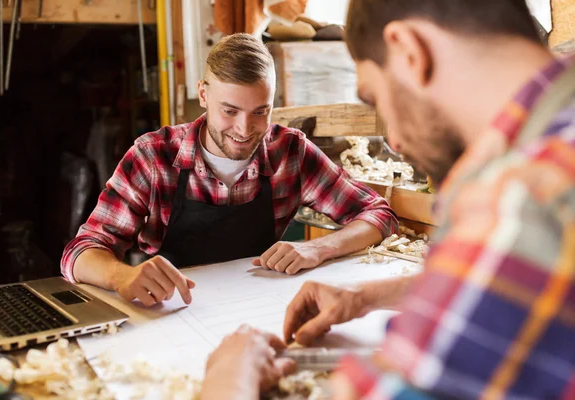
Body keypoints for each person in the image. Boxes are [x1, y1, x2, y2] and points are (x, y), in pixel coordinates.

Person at [201, 0, 575, 399]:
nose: (394, 141)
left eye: (375, 98)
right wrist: (366, 297)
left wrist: (229, 377)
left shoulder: (523, 193)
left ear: (409, 51)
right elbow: (513, 283)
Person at [60, 33, 397, 307]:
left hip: (258, 305)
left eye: (260, 112)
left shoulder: (290, 152)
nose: (244, 128)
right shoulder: (153, 156)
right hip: (172, 308)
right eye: (230, 110)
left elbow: (378, 214)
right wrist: (122, 277)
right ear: (203, 94)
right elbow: (80, 252)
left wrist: (318, 248)